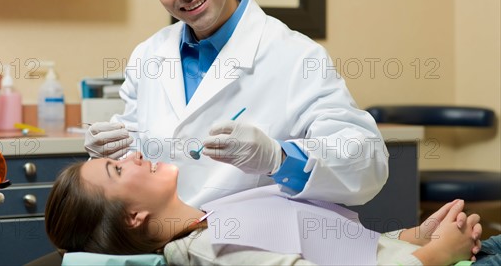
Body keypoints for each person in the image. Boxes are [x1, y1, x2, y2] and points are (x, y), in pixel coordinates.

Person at [85, 0, 388, 208]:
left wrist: (278, 157)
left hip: (251, 243)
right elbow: (136, 147)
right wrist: (107, 154)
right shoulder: (148, 56)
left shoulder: (297, 57)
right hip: (164, 240)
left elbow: (367, 165)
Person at [45, 153, 490, 266]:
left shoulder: (215, 218)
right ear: (132, 217)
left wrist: (414, 236)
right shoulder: (214, 248)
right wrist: (435, 256)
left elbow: (334, 251)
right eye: (119, 169)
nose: (135, 156)